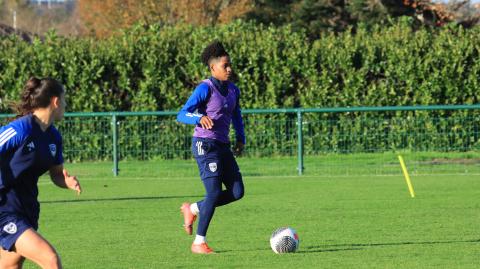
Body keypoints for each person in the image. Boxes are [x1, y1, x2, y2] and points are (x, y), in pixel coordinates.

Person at [0, 77, 81, 269]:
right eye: (65, 100)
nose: (66, 105)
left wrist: (67, 181)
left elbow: (57, 174)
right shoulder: (21, 129)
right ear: (55, 101)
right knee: (50, 259)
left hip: (27, 208)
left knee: (10, 265)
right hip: (4, 208)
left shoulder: (54, 136)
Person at [177, 41, 246, 254]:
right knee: (214, 192)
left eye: (230, 64)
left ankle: (193, 208)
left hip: (223, 146)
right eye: (225, 65)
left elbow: (236, 116)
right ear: (213, 68)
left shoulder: (234, 90)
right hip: (204, 145)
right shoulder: (204, 88)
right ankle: (199, 242)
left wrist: (241, 138)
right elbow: (182, 114)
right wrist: (199, 117)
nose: (229, 69)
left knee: (237, 192)